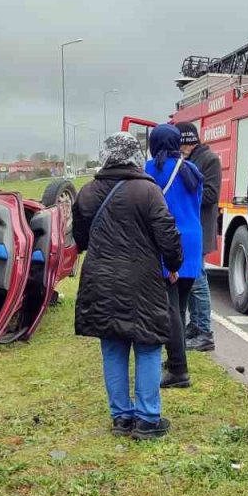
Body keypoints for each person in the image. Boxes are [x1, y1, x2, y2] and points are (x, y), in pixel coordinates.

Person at [73, 132, 183, 440]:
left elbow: (81, 239)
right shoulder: (148, 191)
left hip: (100, 279)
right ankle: (148, 418)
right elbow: (167, 234)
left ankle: (121, 417)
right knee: (148, 345)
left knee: (112, 347)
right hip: (142, 280)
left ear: (106, 155)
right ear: (135, 156)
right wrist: (174, 265)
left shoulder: (88, 192)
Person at [144, 124, 205, 389]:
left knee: (168, 309)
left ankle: (179, 369)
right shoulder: (192, 170)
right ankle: (174, 360)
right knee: (179, 306)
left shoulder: (150, 170)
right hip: (193, 241)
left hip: (167, 242)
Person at [176, 122, 222, 352]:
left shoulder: (209, 160)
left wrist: (184, 191)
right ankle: (194, 326)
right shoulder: (189, 159)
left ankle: (204, 332)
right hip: (190, 228)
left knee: (197, 280)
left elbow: (211, 195)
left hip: (200, 227)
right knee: (191, 279)